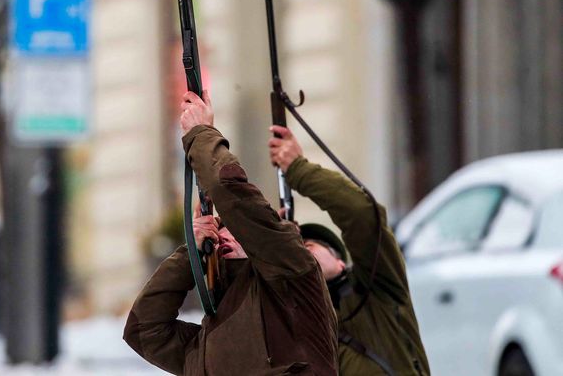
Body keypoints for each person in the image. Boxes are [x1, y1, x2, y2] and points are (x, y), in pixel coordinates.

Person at [123, 91, 339, 376]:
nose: (223, 233)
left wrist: (201, 134)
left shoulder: (291, 272)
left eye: (233, 228)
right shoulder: (206, 339)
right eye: (220, 228)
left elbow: (236, 197)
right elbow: (144, 329)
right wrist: (191, 254)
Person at [268, 125, 430, 376]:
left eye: (308, 245)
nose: (301, 252)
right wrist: (266, 242)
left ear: (341, 263)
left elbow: (361, 214)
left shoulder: (377, 290)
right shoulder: (287, 323)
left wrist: (298, 169)